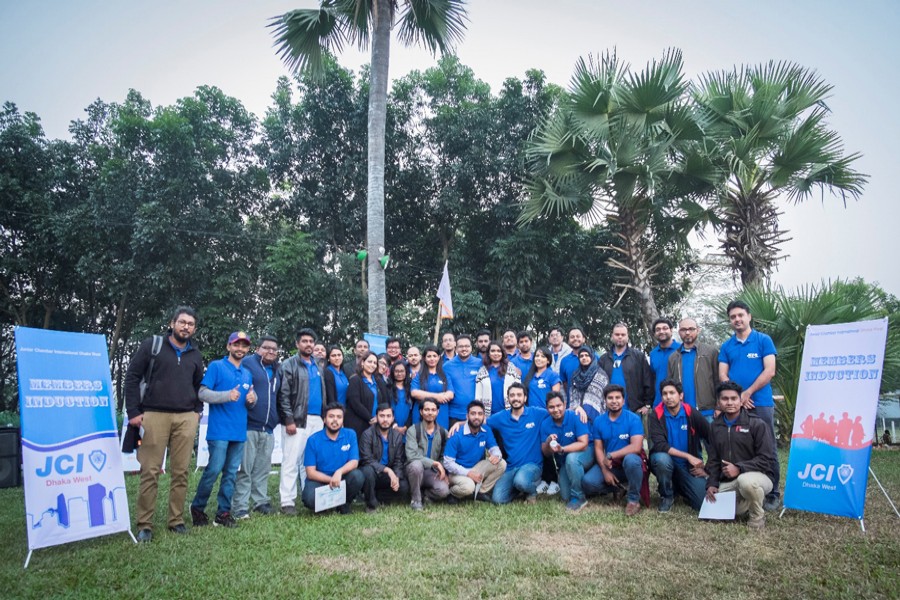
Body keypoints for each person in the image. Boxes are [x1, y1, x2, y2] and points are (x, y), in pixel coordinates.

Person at [125, 306, 204, 542]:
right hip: (154, 415)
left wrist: (197, 413)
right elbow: (132, 377)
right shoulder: (153, 345)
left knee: (181, 472)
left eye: (190, 324)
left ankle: (176, 520)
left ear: (194, 328)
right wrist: (133, 412)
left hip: (185, 418)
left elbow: (199, 386)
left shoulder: (195, 355)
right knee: (150, 471)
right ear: (172, 323)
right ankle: (144, 525)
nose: (186, 327)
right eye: (182, 322)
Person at [718, 299, 779, 511]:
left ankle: (773, 493)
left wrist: (748, 393)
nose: (737, 319)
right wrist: (736, 397)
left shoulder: (763, 340)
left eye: (740, 315)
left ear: (749, 316)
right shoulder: (727, 346)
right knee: (736, 445)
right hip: (736, 404)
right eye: (733, 317)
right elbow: (722, 374)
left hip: (760, 402)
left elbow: (770, 370)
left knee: (768, 446)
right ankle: (743, 487)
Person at [190, 331, 256, 529]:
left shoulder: (247, 373)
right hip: (219, 431)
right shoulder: (217, 366)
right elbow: (202, 393)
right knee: (213, 470)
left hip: (239, 431)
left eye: (244, 346)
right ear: (228, 346)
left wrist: (253, 399)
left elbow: (249, 400)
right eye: (236, 345)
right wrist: (227, 395)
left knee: (231, 474)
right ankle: (198, 508)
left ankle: (223, 512)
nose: (240, 349)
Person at [705, 381, 776, 530]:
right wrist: (712, 484)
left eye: (734, 398)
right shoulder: (715, 426)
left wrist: (739, 468)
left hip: (760, 477)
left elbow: (767, 459)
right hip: (731, 481)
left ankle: (757, 516)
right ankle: (749, 500)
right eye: (725, 399)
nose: (730, 402)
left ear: (740, 400)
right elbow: (713, 459)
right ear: (718, 402)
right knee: (711, 507)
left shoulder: (756, 424)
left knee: (746, 482)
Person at [277, 328, 328, 515]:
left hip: (317, 420)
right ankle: (287, 501)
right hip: (297, 420)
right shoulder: (289, 365)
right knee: (291, 461)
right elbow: (283, 395)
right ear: (297, 344)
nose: (308, 344)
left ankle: (311, 498)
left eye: (311, 341)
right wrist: (288, 419)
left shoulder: (318, 366)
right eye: (304, 341)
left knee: (311, 462)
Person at [233, 334, 281, 519]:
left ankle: (261, 501)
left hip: (268, 428)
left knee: (262, 468)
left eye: (274, 349)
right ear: (258, 349)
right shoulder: (247, 364)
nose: (270, 351)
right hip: (249, 425)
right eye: (266, 348)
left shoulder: (278, 369)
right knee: (245, 468)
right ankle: (240, 506)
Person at [583, 385, 645, 516]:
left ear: (623, 400)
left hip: (630, 463)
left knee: (631, 460)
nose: (614, 401)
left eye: (618, 397)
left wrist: (611, 455)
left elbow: (636, 447)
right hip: (611, 465)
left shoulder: (633, 419)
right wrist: (605, 471)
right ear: (605, 400)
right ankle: (619, 488)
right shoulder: (599, 421)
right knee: (588, 483)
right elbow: (598, 448)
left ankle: (633, 499)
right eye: (610, 398)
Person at [648, 379, 710, 512]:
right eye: (665, 394)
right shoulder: (655, 415)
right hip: (664, 463)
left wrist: (708, 468)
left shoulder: (691, 413)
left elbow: (712, 439)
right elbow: (660, 445)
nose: (668, 397)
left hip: (688, 467)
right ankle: (666, 495)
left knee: (702, 503)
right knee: (662, 460)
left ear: (681, 395)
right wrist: (688, 456)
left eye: (672, 393)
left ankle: (680, 487)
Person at [486, 383, 547, 504]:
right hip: (511, 467)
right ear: (508, 398)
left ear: (525, 398)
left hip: (532, 466)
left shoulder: (536, 413)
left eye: (519, 395)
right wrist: (459, 424)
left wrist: (577, 409)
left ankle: (531, 490)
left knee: (521, 481)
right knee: (498, 499)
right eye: (512, 395)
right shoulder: (501, 417)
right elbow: (481, 422)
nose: (516, 398)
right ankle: (520, 489)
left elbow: (557, 412)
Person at [301, 403, 365, 515]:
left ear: (343, 420)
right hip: (320, 481)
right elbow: (310, 472)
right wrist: (331, 480)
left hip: (342, 479)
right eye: (331, 416)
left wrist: (339, 473)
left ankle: (343, 504)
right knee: (309, 498)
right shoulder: (313, 440)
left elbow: (354, 462)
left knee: (358, 476)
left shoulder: (350, 434)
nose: (335, 420)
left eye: (339, 417)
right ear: (324, 419)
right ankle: (327, 505)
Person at [443, 401, 506, 501]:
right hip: (457, 472)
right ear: (467, 416)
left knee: (501, 463)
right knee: (468, 486)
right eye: (473, 413)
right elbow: (447, 463)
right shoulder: (457, 434)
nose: (476, 417)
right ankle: (453, 493)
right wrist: (467, 473)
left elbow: (494, 448)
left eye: (480, 414)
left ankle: (481, 492)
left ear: (483, 416)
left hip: (475, 468)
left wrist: (496, 455)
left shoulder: (486, 430)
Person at [541, 392, 592, 512]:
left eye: (558, 405)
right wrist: (548, 443)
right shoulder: (545, 424)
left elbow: (583, 444)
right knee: (565, 495)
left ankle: (579, 497)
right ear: (547, 408)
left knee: (571, 459)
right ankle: (587, 489)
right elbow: (546, 452)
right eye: (551, 407)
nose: (556, 410)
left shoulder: (575, 415)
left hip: (587, 452)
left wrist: (562, 449)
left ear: (564, 404)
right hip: (566, 462)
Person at [359, 404, 409, 511]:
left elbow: (398, 461)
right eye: (382, 416)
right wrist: (387, 470)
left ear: (392, 418)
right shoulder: (367, 434)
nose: (385, 419)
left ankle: (376, 495)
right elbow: (367, 460)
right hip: (373, 473)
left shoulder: (397, 436)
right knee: (367, 471)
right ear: (376, 417)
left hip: (387, 476)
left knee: (404, 487)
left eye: (388, 416)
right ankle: (371, 505)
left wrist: (396, 477)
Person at [667, 318, 719, 420]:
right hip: (682, 412)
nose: (687, 332)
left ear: (698, 330)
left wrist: (719, 406)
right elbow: (670, 385)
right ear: (679, 332)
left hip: (708, 413)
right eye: (683, 330)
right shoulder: (673, 357)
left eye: (691, 329)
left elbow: (718, 381)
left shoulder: (710, 352)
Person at [598, 323, 654, 415]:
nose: (620, 337)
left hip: (634, 410)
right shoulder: (603, 359)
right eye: (617, 334)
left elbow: (648, 381)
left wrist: (647, 404)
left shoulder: (638, 357)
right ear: (612, 336)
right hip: (608, 411)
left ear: (627, 337)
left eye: (623, 335)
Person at [405, 398, 451, 510]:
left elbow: (443, 456)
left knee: (444, 491)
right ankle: (416, 500)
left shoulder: (442, 432)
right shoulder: (413, 430)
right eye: (426, 409)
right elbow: (411, 455)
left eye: (433, 410)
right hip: (414, 470)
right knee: (416, 465)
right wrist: (434, 463)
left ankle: (425, 495)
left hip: (432, 472)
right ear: (421, 411)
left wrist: (441, 468)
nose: (430, 412)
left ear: (437, 412)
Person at [345, 351, 391, 439]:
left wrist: (379, 417)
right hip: (358, 424)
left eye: (375, 363)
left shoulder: (378, 381)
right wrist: (370, 418)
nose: (372, 365)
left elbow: (384, 401)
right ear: (362, 362)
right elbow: (355, 403)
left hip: (376, 425)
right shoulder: (355, 379)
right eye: (369, 361)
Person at [475, 341, 522, 418]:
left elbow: (519, 390)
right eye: (493, 351)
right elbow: (478, 396)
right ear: (488, 353)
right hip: (489, 415)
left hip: (509, 413)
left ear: (502, 353)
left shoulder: (512, 368)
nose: (496, 353)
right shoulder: (482, 371)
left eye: (498, 351)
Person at [411, 345, 454, 429]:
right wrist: (437, 397)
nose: (432, 359)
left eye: (434, 356)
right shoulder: (418, 375)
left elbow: (451, 393)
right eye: (429, 356)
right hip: (421, 413)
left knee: (440, 439)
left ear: (438, 357)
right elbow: (414, 392)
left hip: (441, 414)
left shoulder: (445, 375)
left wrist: (445, 395)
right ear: (424, 358)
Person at [444, 334, 481, 427]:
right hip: (453, 414)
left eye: (467, 346)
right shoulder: (447, 366)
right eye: (461, 346)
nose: (464, 349)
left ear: (471, 347)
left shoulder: (480, 364)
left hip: (475, 414)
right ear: (456, 348)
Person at [567, 345, 609, 422]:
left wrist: (586, 410)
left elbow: (599, 396)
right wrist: (577, 408)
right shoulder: (575, 375)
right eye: (581, 356)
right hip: (578, 414)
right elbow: (573, 395)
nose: (584, 358)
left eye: (587, 355)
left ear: (592, 357)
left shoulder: (600, 374)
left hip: (596, 414)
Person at [649, 318, 681, 407]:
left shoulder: (681, 350)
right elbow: (653, 377)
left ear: (671, 330)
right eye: (658, 330)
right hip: (659, 403)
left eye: (665, 328)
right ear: (655, 333)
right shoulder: (653, 354)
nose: (661, 331)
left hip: (679, 402)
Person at [558, 327, 588, 399]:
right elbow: (565, 383)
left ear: (583, 339)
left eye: (578, 336)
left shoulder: (594, 357)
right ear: (568, 340)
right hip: (572, 404)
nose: (575, 339)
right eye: (572, 337)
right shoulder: (564, 361)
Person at [387, 360, 414, 435]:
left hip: (407, 429)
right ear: (392, 372)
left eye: (402, 371)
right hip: (390, 427)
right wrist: (395, 426)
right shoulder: (387, 388)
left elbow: (413, 410)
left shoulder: (411, 388)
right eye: (396, 371)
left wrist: (406, 426)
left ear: (406, 372)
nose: (399, 374)